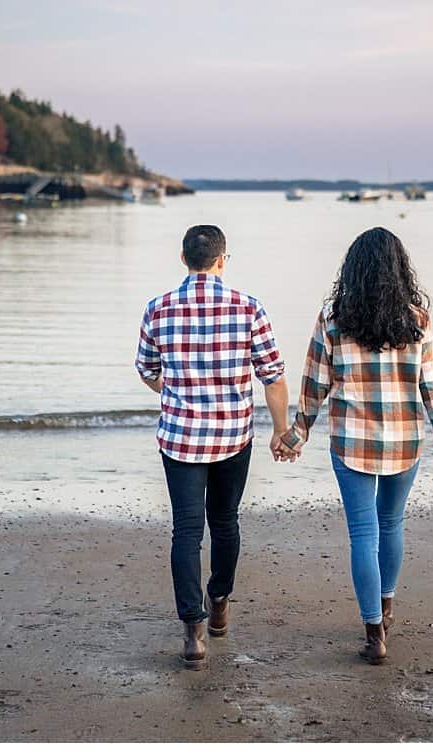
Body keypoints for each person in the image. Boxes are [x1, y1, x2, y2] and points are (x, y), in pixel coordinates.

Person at [274, 227, 433, 664]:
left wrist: (295, 435)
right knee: (391, 524)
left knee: (363, 532)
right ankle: (387, 607)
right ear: (400, 269)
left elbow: (315, 384)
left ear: (352, 269)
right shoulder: (418, 320)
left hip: (352, 440)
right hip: (404, 440)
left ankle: (374, 632)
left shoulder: (332, 318)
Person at [136, 224, 289, 668]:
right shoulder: (249, 308)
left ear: (183, 259)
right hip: (231, 436)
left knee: (186, 529)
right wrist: (282, 431)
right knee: (223, 520)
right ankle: (219, 598)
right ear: (223, 260)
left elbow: (146, 369)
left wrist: (175, 391)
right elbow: (273, 376)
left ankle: (193, 632)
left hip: (180, 436)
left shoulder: (159, 308)